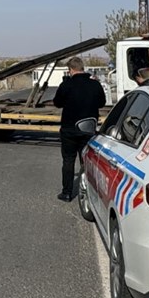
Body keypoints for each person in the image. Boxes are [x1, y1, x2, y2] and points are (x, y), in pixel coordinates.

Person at [51, 56, 105, 202]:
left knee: (68, 161)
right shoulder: (95, 85)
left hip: (69, 129)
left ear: (70, 70)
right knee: (86, 162)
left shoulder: (66, 85)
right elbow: (102, 103)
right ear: (82, 68)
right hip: (88, 129)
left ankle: (67, 193)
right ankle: (88, 192)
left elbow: (57, 103)